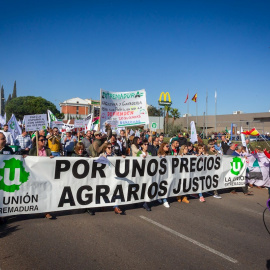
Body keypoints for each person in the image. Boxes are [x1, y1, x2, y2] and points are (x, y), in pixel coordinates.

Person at [29, 136, 54, 219]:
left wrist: (51, 158)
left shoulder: (47, 150)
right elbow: (30, 161)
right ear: (37, 141)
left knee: (46, 192)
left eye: (44, 140)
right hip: (35, 174)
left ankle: (47, 212)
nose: (44, 142)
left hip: (46, 174)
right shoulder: (33, 151)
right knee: (37, 192)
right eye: (42, 140)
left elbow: (51, 160)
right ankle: (37, 209)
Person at [137, 139, 152, 211]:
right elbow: (135, 162)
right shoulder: (139, 153)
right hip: (141, 173)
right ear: (142, 146)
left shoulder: (149, 153)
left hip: (148, 173)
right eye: (145, 144)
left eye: (147, 144)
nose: (146, 146)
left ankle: (146, 203)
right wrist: (141, 158)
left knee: (148, 187)